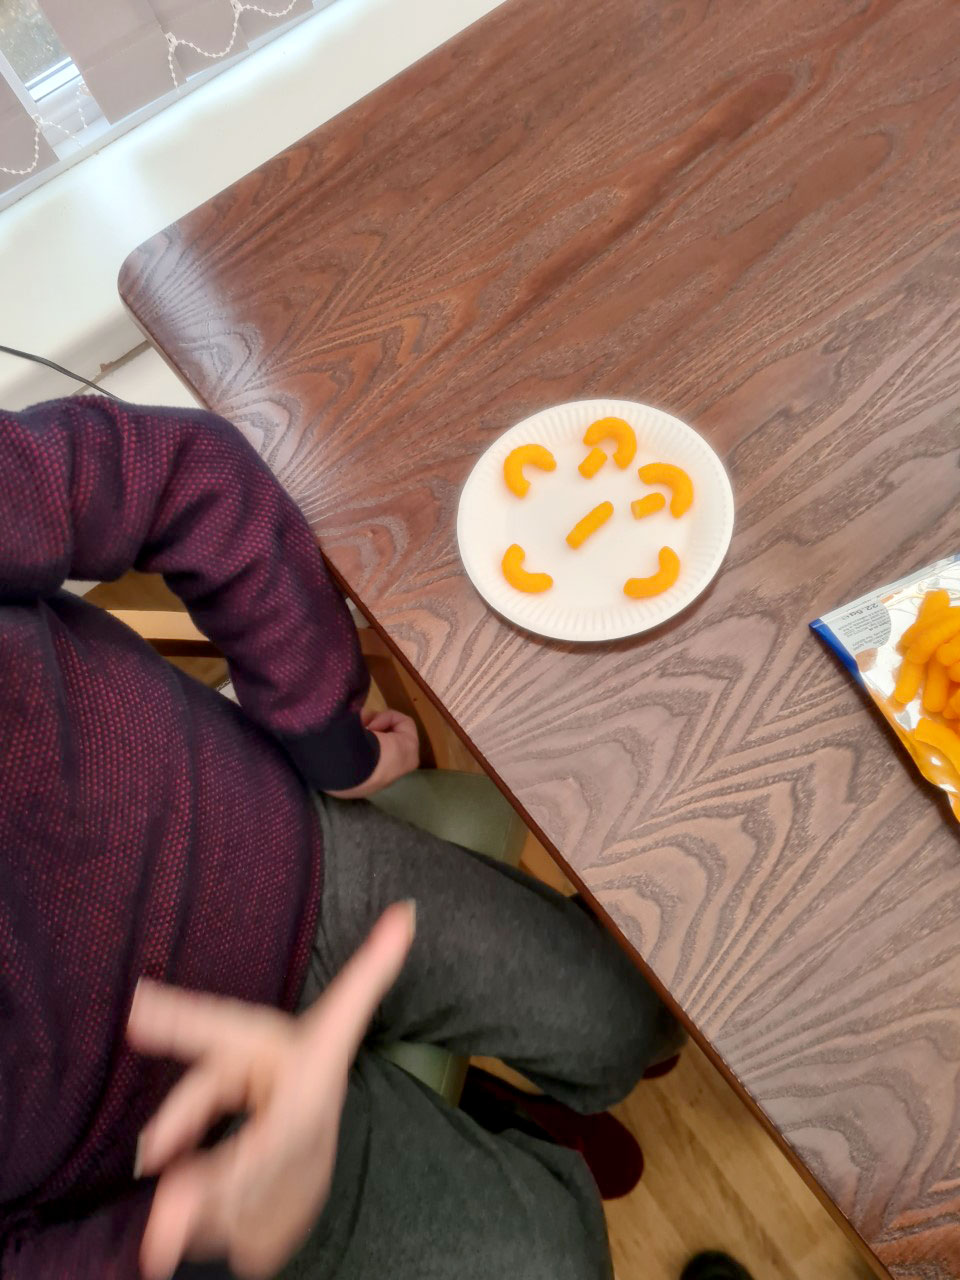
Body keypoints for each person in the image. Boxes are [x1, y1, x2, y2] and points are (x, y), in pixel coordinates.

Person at [0, 397, 680, 1279]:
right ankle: (487, 1125)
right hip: (151, 1169)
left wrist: (328, 737)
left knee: (628, 1016)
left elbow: (178, 473)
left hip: (273, 860)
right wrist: (184, 1236)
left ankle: (502, 1105)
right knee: (559, 1260)